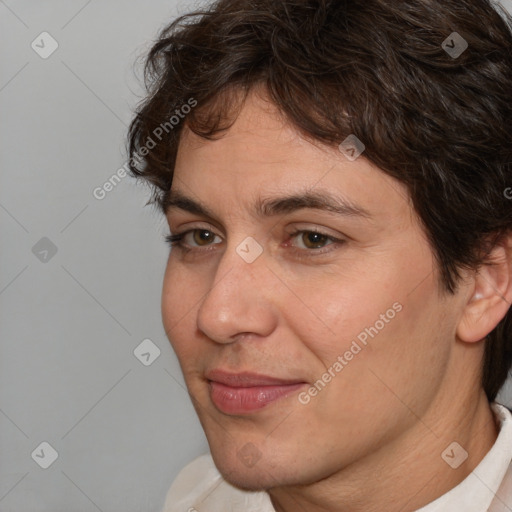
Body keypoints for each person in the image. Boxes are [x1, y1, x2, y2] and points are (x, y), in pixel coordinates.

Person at [127, 0, 512, 510]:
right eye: (199, 236)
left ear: (485, 281)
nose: (218, 315)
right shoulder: (194, 500)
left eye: (312, 239)